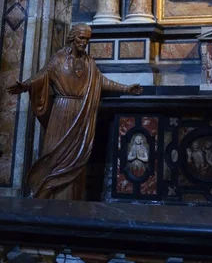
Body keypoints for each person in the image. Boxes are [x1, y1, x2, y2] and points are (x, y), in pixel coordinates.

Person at [7, 23, 143, 200]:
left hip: (82, 114)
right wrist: (25, 85)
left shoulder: (89, 62)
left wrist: (126, 89)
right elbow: (43, 75)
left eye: (87, 39)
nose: (84, 42)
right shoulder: (59, 59)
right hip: (62, 112)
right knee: (55, 155)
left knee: (77, 159)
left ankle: (72, 199)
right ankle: (49, 197)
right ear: (72, 37)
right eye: (81, 38)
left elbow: (102, 82)